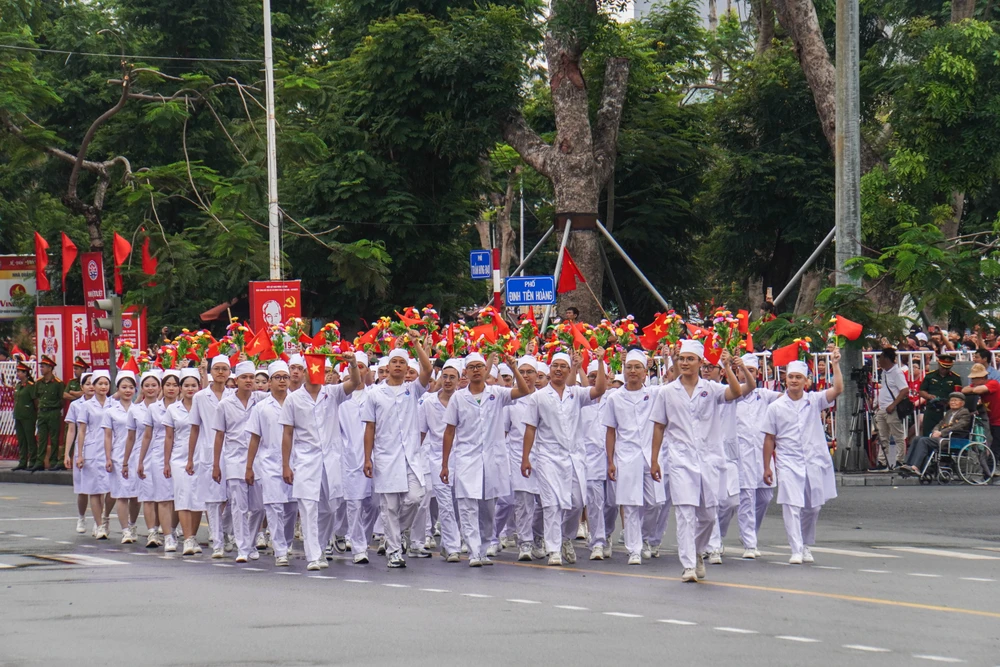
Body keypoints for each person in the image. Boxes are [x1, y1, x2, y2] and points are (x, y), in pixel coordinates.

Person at [649, 341, 745, 583]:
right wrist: (654, 460)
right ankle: (688, 565)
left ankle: (698, 551)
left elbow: (736, 393)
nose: (685, 362)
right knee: (685, 513)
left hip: (709, 459)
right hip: (680, 459)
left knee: (709, 516)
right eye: (682, 358)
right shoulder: (667, 392)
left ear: (701, 362)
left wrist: (728, 367)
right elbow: (659, 426)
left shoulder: (711, 388)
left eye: (690, 359)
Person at [441, 352, 531, 567]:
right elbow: (449, 431)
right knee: (467, 507)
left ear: (485, 369)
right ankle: (473, 552)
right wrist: (445, 464)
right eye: (471, 367)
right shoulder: (458, 398)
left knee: (488, 510)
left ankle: (483, 549)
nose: (476, 370)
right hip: (466, 459)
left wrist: (514, 368)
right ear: (466, 372)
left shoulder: (497, 393)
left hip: (492, 460)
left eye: (479, 366)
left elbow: (524, 390)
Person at [521, 347, 607, 566]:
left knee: (577, 503)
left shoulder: (576, 394)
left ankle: (566, 538)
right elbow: (530, 428)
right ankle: (553, 550)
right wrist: (525, 458)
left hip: (574, 458)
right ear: (550, 370)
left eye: (563, 367)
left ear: (570, 370)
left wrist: (599, 361)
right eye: (555, 366)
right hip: (548, 457)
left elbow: (599, 389)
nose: (558, 370)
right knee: (551, 505)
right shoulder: (538, 397)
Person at [280, 351, 361, 571]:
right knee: (308, 507)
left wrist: (353, 364)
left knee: (330, 509)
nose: (316, 373)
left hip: (331, 461)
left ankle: (321, 547)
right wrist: (286, 465)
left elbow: (354, 383)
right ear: (304, 372)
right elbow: (287, 433)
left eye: (322, 370)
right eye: (312, 369)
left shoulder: (332, 393)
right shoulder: (293, 398)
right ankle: (313, 556)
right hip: (306, 460)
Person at [762, 349, 843, 565]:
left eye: (798, 377)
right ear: (785, 379)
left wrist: (835, 364)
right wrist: (767, 466)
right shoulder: (775, 407)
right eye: (791, 377)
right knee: (791, 505)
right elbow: (769, 438)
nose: (794, 381)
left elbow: (837, 389)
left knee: (813, 506)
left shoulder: (814, 400)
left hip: (812, 460)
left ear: (806, 381)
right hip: (787, 461)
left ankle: (806, 544)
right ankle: (796, 548)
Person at [362, 340, 432, 568]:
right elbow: (369, 427)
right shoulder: (375, 394)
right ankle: (394, 551)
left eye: (403, 362)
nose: (399, 366)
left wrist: (416, 344)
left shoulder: (413, 389)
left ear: (407, 368)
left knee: (416, 498)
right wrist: (367, 458)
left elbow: (428, 369)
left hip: (411, 457)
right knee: (389, 507)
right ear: (388, 366)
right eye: (395, 362)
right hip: (386, 458)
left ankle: (395, 533)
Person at [604, 349, 666, 565]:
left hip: (650, 456)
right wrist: (610, 461)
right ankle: (634, 549)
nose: (633, 371)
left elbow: (675, 381)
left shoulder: (655, 394)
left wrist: (671, 359)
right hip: (626, 456)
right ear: (624, 370)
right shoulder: (614, 398)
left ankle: (646, 538)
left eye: (637, 367)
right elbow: (610, 431)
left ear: (645, 371)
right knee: (630, 505)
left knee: (654, 503)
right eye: (629, 367)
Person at [213, 361, 266, 563]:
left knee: (259, 507)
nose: (249, 381)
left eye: (252, 377)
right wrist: (216, 464)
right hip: (234, 459)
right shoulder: (225, 405)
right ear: (236, 380)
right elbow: (219, 435)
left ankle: (250, 543)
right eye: (244, 377)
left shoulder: (261, 401)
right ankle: (242, 548)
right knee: (239, 506)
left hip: (258, 459)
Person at [246, 361, 296, 566]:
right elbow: (254, 438)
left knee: (292, 508)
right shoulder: (261, 407)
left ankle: (287, 543)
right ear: (269, 381)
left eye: (285, 377)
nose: (282, 381)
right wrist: (249, 467)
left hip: (295, 461)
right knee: (274, 507)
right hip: (269, 463)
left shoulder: (296, 402)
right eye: (278, 377)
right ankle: (280, 550)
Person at [733, 354, 782, 559]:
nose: (746, 374)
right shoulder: (731, 394)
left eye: (751, 371)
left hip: (762, 454)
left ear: (757, 373)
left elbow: (786, 398)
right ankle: (750, 544)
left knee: (765, 496)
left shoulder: (764, 395)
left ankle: (750, 533)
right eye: (742, 370)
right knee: (746, 497)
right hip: (741, 454)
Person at [187, 356, 235, 558]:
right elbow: (195, 428)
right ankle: (217, 541)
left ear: (230, 372)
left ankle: (226, 531)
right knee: (213, 500)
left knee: (233, 497)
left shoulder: (234, 395)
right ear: (211, 372)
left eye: (224, 369)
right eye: (217, 369)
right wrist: (190, 458)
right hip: (208, 451)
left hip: (233, 452)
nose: (220, 372)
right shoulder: (200, 397)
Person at [501, 357, 546, 562]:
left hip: (545, 456)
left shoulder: (545, 398)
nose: (526, 376)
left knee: (545, 502)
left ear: (537, 375)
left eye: (530, 372)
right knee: (523, 502)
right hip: (519, 456)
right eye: (523, 372)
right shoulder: (511, 402)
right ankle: (525, 542)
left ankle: (538, 536)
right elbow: (503, 433)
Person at [419, 359, 463, 562]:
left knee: (458, 504)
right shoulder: (428, 403)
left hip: (462, 458)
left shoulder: (464, 400)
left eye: (452, 377)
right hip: (437, 459)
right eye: (444, 376)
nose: (448, 380)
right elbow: (421, 432)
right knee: (445, 503)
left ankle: (448, 542)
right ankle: (453, 547)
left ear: (459, 380)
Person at [340, 352, 379, 564]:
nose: (359, 370)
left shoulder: (374, 395)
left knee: (374, 504)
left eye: (362, 367)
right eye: (355, 366)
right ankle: (359, 548)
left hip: (375, 456)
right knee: (354, 504)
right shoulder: (340, 397)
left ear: (368, 371)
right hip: (349, 457)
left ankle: (364, 537)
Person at [139, 369, 181, 552]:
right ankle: (167, 536)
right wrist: (141, 460)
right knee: (163, 497)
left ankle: (172, 529)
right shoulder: (154, 408)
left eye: (175, 385)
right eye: (168, 385)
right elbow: (147, 436)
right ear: (162, 387)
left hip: (180, 454)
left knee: (179, 497)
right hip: (157, 456)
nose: (171, 388)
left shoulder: (185, 407)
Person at [164, 369, 205, 555]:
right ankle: (187, 539)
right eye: (186, 385)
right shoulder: (173, 409)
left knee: (197, 499)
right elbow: (169, 437)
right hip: (179, 458)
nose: (190, 389)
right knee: (182, 497)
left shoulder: (204, 407)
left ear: (199, 387)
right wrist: (166, 462)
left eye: (193, 385)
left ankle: (192, 537)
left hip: (200, 456)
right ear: (180, 388)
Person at [75, 370, 113, 539]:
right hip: (92, 450)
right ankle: (99, 526)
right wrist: (80, 454)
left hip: (112, 450)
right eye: (100, 383)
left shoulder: (114, 404)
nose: (103, 387)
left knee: (112, 490)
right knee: (95, 490)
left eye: (106, 384)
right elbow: (81, 431)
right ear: (94, 386)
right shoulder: (86, 406)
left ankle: (105, 517)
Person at [103, 371, 140, 544]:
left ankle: (132, 525)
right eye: (124, 387)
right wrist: (108, 457)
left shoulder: (139, 410)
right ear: (117, 389)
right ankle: (125, 530)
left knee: (136, 495)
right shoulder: (110, 411)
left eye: (131, 387)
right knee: (122, 494)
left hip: (137, 455)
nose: (127, 390)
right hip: (118, 456)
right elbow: (108, 436)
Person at [899, 393, 971, 476]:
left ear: (962, 403)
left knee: (924, 441)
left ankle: (916, 466)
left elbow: (958, 426)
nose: (953, 402)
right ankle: (907, 464)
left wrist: (941, 433)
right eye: (951, 400)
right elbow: (940, 424)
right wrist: (935, 431)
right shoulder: (949, 413)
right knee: (917, 438)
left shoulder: (964, 413)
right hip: (942, 438)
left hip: (954, 439)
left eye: (955, 400)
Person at [65, 373, 94, 532]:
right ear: (81, 387)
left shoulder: (107, 404)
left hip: (100, 449)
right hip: (81, 449)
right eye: (87, 384)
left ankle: (99, 520)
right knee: (83, 488)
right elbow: (71, 430)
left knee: (101, 488)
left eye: (93, 383)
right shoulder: (76, 405)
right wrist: (67, 454)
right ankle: (81, 517)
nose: (91, 386)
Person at [874, 348, 908, 470]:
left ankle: (900, 461)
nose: (879, 361)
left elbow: (904, 390)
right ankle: (882, 462)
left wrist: (893, 405)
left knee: (898, 436)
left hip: (891, 409)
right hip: (882, 408)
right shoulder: (884, 372)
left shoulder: (897, 373)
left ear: (887, 359)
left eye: (881, 358)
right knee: (882, 437)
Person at [962, 363, 1000, 467]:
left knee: (995, 446)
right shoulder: (977, 385)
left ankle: (991, 469)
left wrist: (973, 389)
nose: (972, 381)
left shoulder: (993, 383)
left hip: (998, 420)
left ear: (982, 378)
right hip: (992, 420)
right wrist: (973, 388)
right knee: (993, 445)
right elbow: (964, 390)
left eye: (974, 379)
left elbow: (977, 390)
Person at [917, 354, 962, 437]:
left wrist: (950, 402)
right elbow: (921, 391)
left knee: (944, 433)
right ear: (939, 364)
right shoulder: (930, 376)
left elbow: (958, 394)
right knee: (927, 432)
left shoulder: (955, 378)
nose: (945, 370)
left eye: (947, 368)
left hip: (947, 410)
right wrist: (929, 396)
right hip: (931, 408)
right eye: (943, 367)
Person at [34, 355, 64, 471]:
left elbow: (61, 400)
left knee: (54, 438)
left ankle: (53, 461)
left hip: (53, 412)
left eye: (43, 366)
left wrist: (54, 408)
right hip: (42, 413)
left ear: (50, 368)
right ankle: (40, 461)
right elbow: (36, 398)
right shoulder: (38, 383)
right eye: (41, 366)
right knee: (42, 438)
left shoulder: (58, 383)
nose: (41, 369)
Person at [12, 361, 36, 472]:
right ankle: (22, 461)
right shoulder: (18, 385)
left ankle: (33, 461)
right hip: (18, 415)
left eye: (19, 371)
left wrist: (35, 414)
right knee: (21, 440)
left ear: (25, 373)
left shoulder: (30, 386)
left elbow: (35, 401)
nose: (17, 373)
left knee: (30, 439)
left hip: (28, 416)